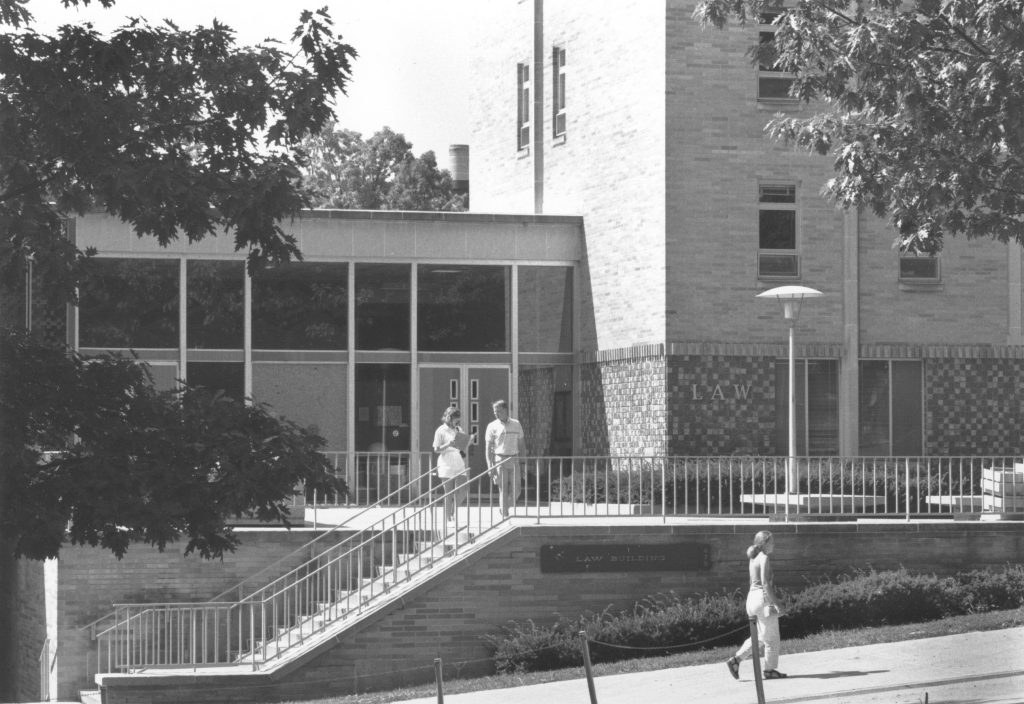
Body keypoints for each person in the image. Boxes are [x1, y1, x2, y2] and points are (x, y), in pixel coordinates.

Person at [726, 530, 787, 680]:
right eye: (771, 542)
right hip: (762, 599)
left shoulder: (752, 559)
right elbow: (765, 583)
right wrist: (778, 604)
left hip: (751, 599)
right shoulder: (764, 557)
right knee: (772, 638)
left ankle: (736, 660)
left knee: (760, 636)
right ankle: (769, 670)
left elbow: (754, 582)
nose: (774, 544)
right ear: (764, 543)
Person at [485, 399, 525, 518]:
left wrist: (523, 463)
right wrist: (490, 466)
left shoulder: (516, 424)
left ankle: (504, 508)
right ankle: (505, 515)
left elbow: (522, 444)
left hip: (514, 459)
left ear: (506, 410)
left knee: (517, 490)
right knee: (503, 489)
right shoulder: (492, 426)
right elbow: (488, 448)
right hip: (499, 459)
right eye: (494, 411)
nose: (496, 413)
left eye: (499, 411)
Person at [432, 406, 472, 523]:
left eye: (458, 420)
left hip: (458, 460)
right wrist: (448, 444)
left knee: (463, 489)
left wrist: (468, 441)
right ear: (449, 418)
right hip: (446, 461)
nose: (458, 422)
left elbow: (463, 445)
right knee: (448, 492)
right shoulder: (440, 430)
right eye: (456, 419)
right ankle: (447, 518)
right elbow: (436, 449)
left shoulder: (458, 429)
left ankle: (453, 510)